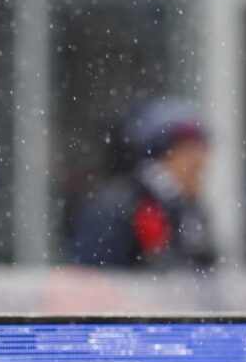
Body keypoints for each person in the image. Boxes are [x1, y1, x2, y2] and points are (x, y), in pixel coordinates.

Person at [70, 99, 217, 272]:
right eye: (191, 154)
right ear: (163, 156)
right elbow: (90, 280)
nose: (201, 160)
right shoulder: (120, 205)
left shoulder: (187, 209)